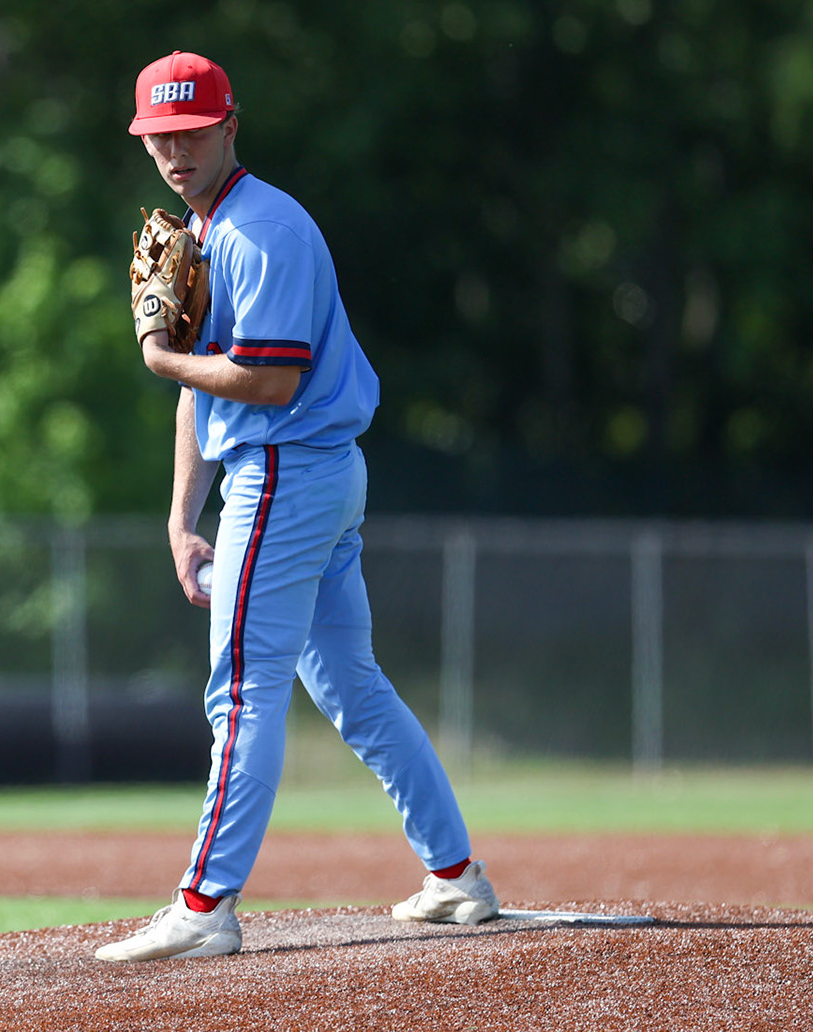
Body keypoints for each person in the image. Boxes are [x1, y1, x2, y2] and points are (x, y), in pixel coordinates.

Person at [95, 52, 499, 961]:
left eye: (191, 130)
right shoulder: (207, 232)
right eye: (159, 135)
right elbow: (205, 399)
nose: (173, 150)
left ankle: (205, 907)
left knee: (242, 690)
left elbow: (267, 383)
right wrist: (178, 518)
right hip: (298, 472)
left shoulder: (261, 231)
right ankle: (456, 877)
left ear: (231, 126)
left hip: (287, 469)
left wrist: (163, 359)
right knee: (349, 686)